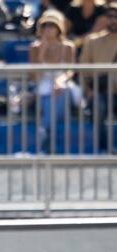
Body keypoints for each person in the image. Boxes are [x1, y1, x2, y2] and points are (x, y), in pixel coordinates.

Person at [29, 9, 80, 152]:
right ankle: (49, 138)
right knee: (50, 98)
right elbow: (34, 76)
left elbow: (70, 71)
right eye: (45, 25)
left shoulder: (68, 46)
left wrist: (60, 81)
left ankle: (45, 131)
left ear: (58, 28)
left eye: (51, 25)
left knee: (59, 93)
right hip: (42, 85)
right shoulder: (34, 48)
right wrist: (41, 54)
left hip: (63, 84)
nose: (48, 29)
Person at [79, 2, 117, 150]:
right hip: (100, 93)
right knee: (98, 106)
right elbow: (83, 68)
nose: (113, 20)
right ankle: (105, 148)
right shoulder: (93, 41)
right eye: (110, 16)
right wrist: (88, 91)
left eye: (116, 16)